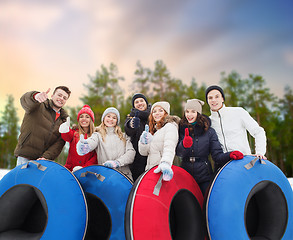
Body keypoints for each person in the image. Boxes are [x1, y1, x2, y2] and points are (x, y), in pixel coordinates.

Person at [176, 99, 243, 195]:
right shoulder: (181, 129)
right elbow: (178, 153)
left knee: (206, 202)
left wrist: (230, 155)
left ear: (198, 113)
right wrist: (184, 145)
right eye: (187, 111)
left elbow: (217, 156)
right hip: (185, 174)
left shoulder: (209, 131)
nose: (189, 115)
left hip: (204, 176)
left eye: (193, 112)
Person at [205, 85, 267, 161]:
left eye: (217, 97)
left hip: (243, 161)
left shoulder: (238, 112)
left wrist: (260, 152)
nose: (213, 100)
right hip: (224, 166)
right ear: (207, 101)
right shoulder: (208, 122)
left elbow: (258, 131)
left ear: (223, 99)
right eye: (210, 98)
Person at [14, 86, 71, 166]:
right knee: (22, 178)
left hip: (42, 162)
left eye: (64, 98)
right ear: (52, 96)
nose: (61, 98)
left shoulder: (64, 121)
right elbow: (25, 100)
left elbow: (59, 143)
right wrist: (35, 96)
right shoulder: (38, 105)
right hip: (25, 156)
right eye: (59, 95)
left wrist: (46, 157)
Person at [76, 107, 135, 180]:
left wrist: (117, 163)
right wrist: (86, 146)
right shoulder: (97, 135)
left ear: (117, 121)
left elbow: (131, 153)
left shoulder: (124, 136)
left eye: (114, 118)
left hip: (124, 176)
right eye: (108, 116)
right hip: (106, 177)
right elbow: (91, 141)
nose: (111, 119)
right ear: (103, 119)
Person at [138, 101, 180, 181]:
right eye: (154, 111)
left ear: (166, 113)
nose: (157, 113)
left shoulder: (170, 126)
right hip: (151, 171)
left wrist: (166, 163)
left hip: (163, 171)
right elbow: (144, 153)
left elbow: (169, 146)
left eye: (160, 110)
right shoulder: (155, 130)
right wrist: (143, 142)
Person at [59, 105, 98, 172]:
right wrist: (65, 130)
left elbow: (95, 157)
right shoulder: (74, 133)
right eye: (81, 117)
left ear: (91, 120)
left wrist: (84, 168)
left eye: (87, 117)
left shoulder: (95, 136)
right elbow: (67, 136)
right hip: (71, 170)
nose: (84, 119)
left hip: (87, 171)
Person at [124, 93, 151, 181]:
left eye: (141, 101)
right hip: (137, 162)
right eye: (137, 102)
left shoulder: (153, 116)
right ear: (134, 105)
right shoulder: (131, 117)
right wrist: (131, 124)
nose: (139, 103)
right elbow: (128, 130)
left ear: (146, 103)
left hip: (153, 158)